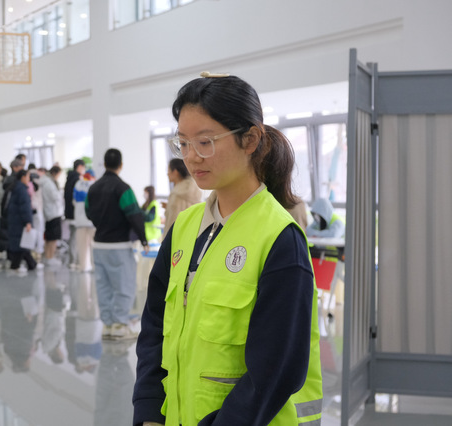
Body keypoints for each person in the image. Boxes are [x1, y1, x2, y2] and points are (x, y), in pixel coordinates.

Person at [133, 74, 322, 426]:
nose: (191, 157)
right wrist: (149, 412)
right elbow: (155, 329)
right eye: (183, 143)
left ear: (250, 139)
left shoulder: (279, 238)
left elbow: (274, 371)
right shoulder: (185, 228)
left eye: (205, 142)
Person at [86, 148, 149, 340]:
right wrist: (143, 239)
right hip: (120, 246)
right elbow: (134, 214)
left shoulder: (93, 188)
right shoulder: (123, 188)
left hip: (99, 246)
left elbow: (89, 212)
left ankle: (107, 325)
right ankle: (120, 326)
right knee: (124, 286)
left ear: (105, 164)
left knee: (103, 286)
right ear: (120, 165)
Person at [5, 169, 37, 273]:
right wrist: (28, 222)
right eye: (28, 176)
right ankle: (19, 265)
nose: (29, 179)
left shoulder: (16, 188)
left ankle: (29, 264)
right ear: (23, 177)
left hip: (15, 220)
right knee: (22, 244)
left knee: (20, 244)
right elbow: (25, 207)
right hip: (19, 221)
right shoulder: (22, 190)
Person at [162, 158, 202, 239]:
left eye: (168, 170)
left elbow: (173, 219)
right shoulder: (193, 188)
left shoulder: (177, 194)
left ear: (175, 172)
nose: (167, 174)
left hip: (176, 237)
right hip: (191, 235)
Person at [39, 166, 64, 266]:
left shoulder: (45, 181)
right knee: (53, 238)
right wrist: (60, 192)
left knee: (49, 237)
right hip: (54, 213)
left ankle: (47, 256)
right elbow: (55, 197)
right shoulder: (49, 183)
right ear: (55, 173)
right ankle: (50, 257)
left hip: (49, 212)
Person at [64, 159, 86, 269]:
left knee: (73, 237)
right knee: (75, 238)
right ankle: (74, 260)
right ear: (80, 167)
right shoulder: (77, 180)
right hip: (75, 213)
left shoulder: (69, 178)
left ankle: (73, 260)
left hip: (69, 212)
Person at [73, 169, 96, 272]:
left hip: (80, 220)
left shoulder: (78, 184)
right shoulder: (94, 184)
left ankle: (83, 266)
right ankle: (95, 266)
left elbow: (74, 200)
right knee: (93, 245)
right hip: (92, 220)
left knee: (82, 245)